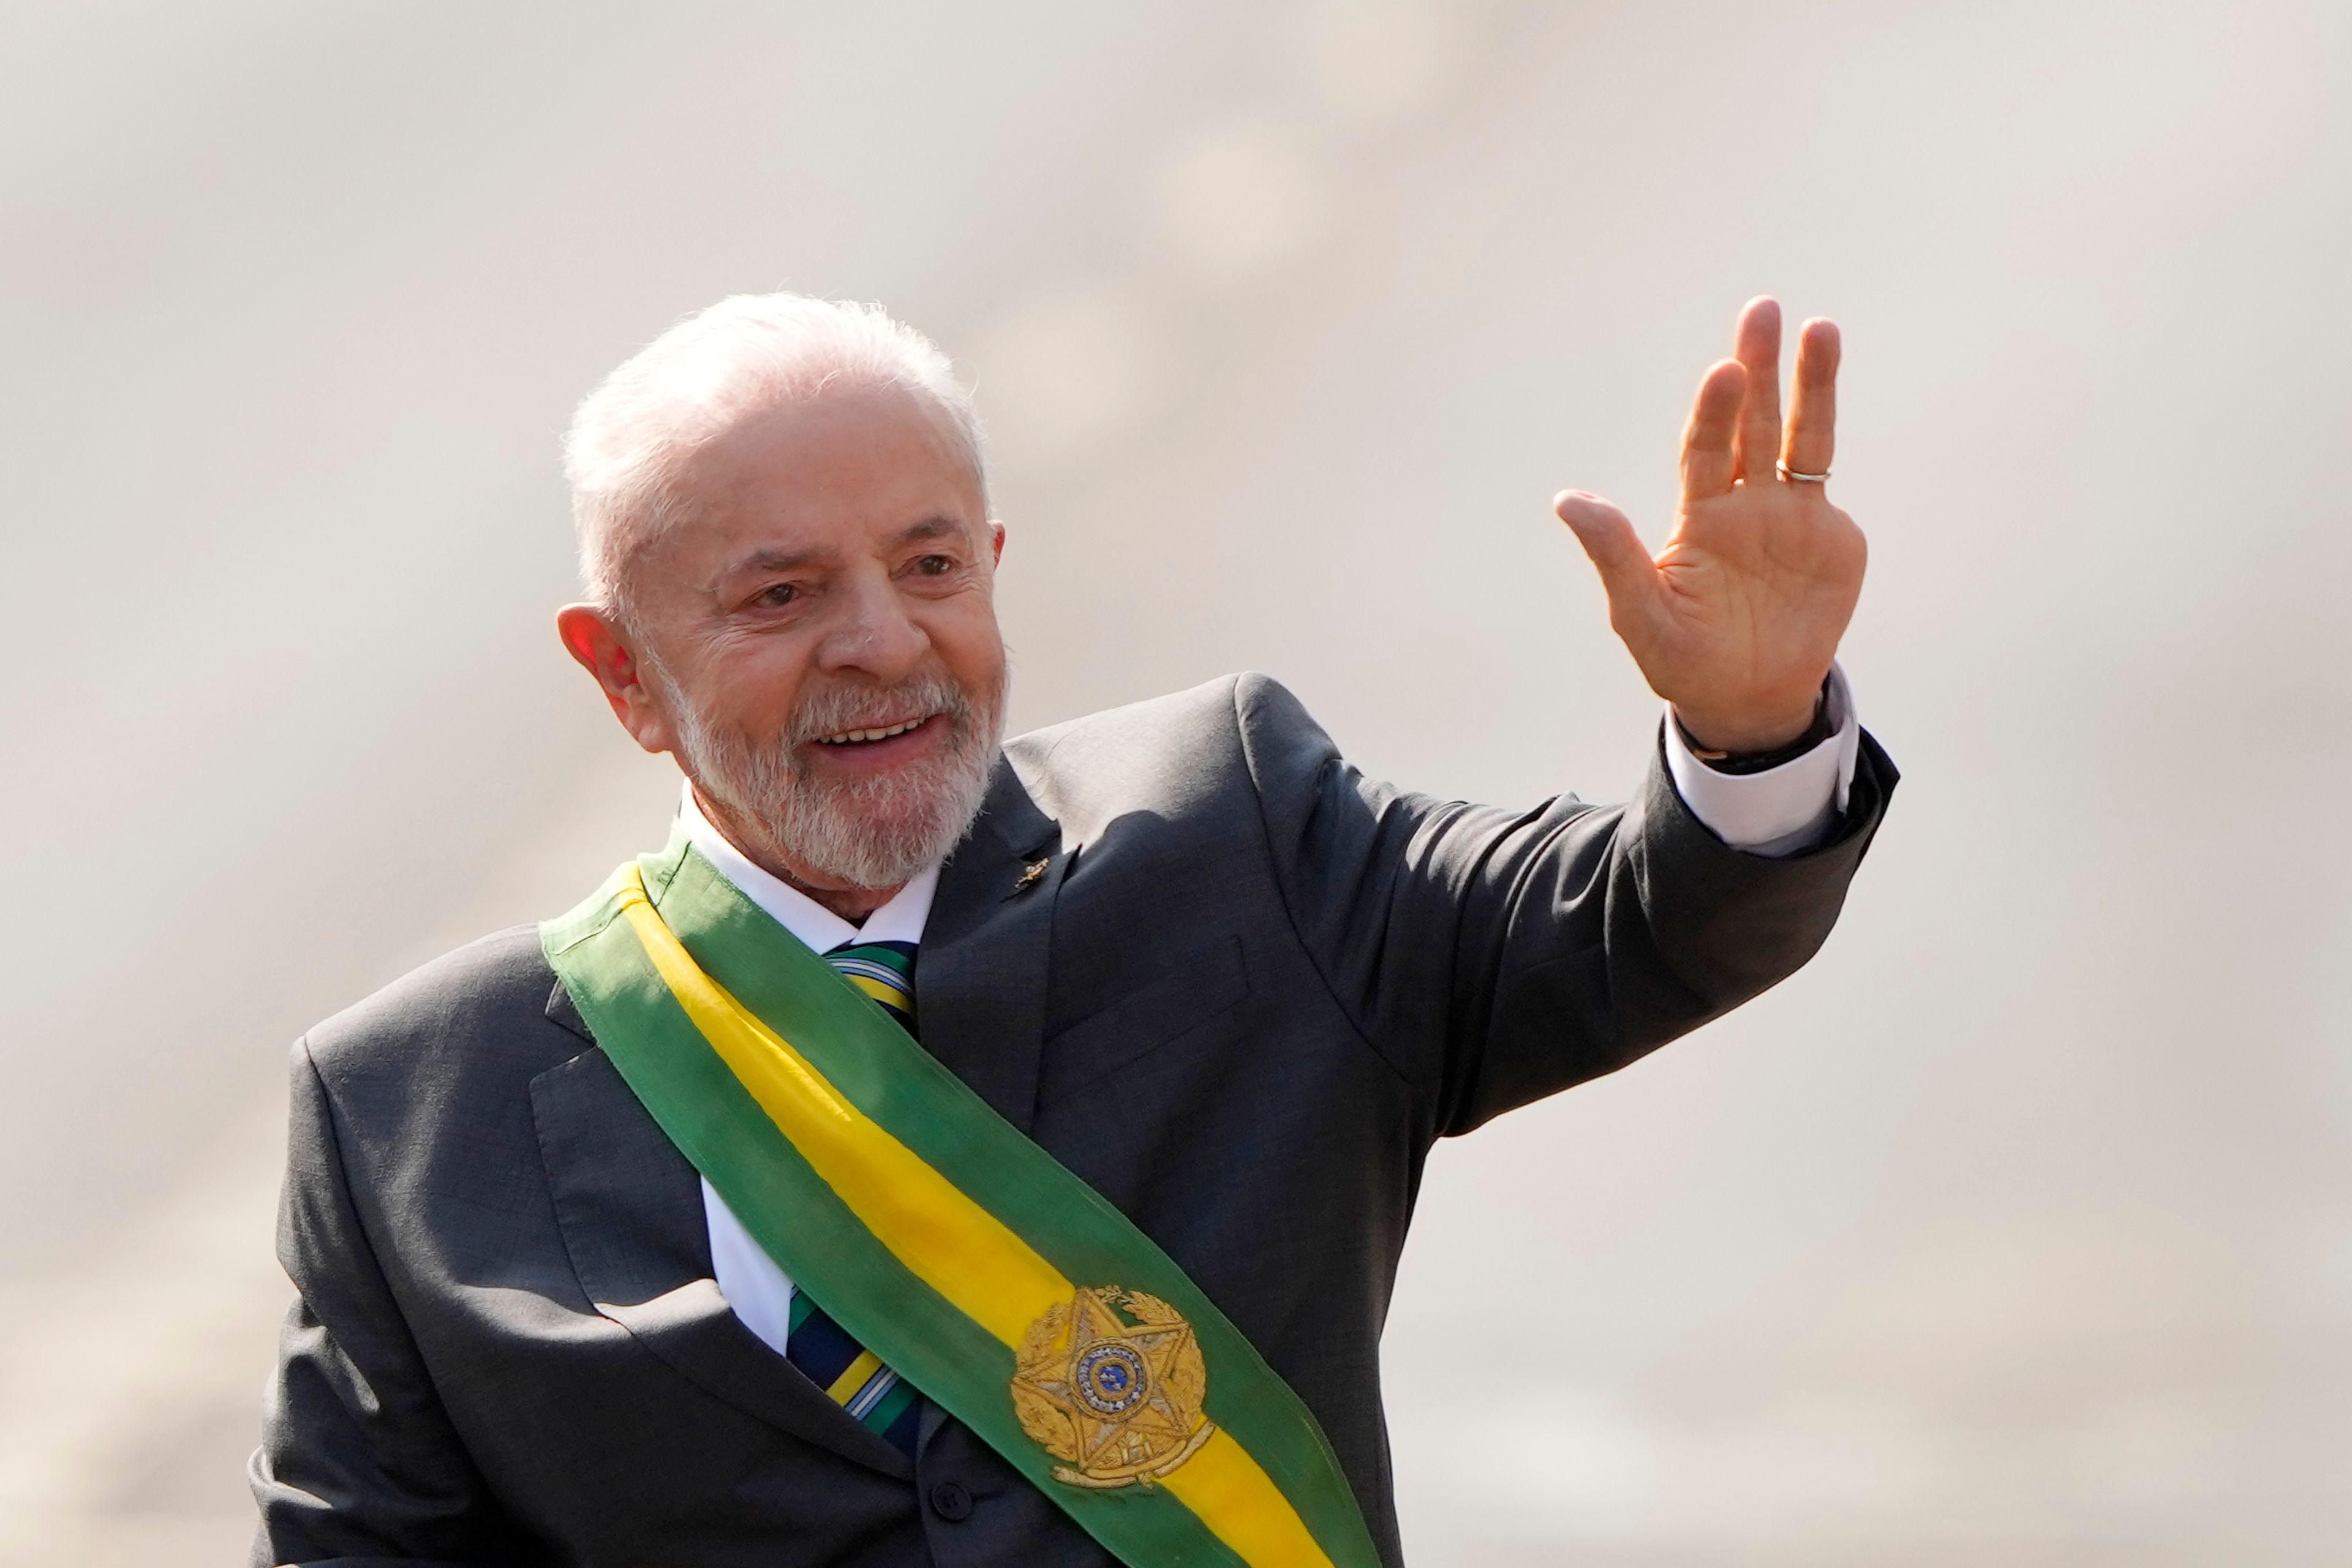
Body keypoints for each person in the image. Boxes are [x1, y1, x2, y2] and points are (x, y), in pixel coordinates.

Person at [250, 292, 1894, 1568]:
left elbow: (1632, 927)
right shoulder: (410, 1117)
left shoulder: (1238, 839)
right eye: (781, 596)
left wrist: (1751, 742)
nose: (885, 645)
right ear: (620, 672)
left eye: (930, 564)